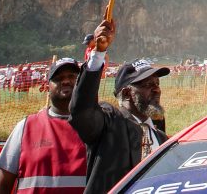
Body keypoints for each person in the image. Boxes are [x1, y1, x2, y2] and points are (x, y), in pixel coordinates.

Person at [70, 19, 168, 194]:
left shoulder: (161, 137)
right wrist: (98, 54)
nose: (156, 90)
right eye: (147, 85)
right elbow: (82, 111)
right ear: (127, 93)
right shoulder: (109, 123)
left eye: (157, 84)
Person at [0, 57, 87, 194]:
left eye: (72, 76)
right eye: (59, 78)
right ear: (47, 87)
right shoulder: (26, 127)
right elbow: (2, 185)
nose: (66, 81)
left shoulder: (98, 125)